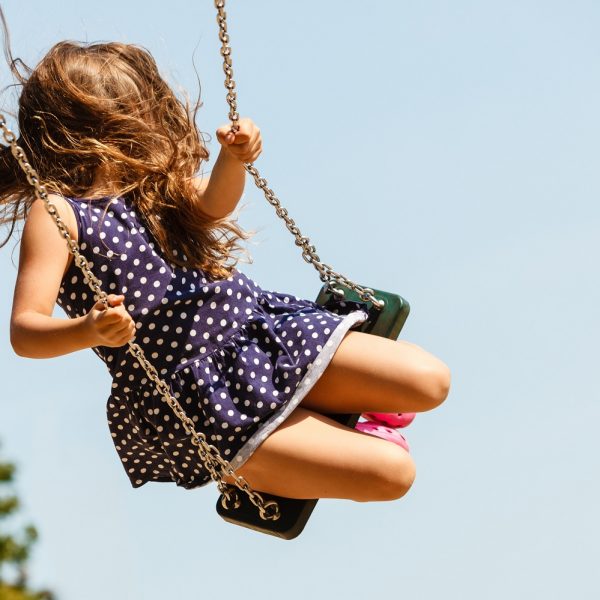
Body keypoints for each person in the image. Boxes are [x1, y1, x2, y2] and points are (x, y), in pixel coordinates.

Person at [1, 39, 450, 503]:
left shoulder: (155, 189)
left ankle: (321, 415)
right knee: (394, 474)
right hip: (199, 397)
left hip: (262, 336)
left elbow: (215, 201)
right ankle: (267, 462)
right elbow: (25, 332)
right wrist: (89, 329)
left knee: (430, 380)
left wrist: (233, 157)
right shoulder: (57, 212)